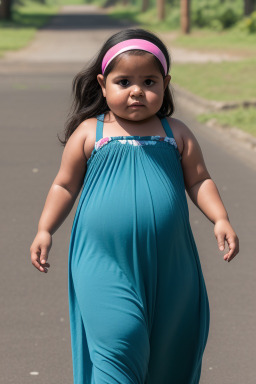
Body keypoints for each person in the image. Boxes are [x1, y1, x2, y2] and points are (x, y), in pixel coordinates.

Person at [30, 28, 239, 384]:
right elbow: (64, 185)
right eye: (124, 81)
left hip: (170, 263)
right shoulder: (89, 132)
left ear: (166, 83)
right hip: (102, 259)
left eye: (149, 81)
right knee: (119, 340)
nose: (137, 91)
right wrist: (45, 229)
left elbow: (199, 179)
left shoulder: (176, 133)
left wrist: (220, 218)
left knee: (169, 351)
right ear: (102, 82)